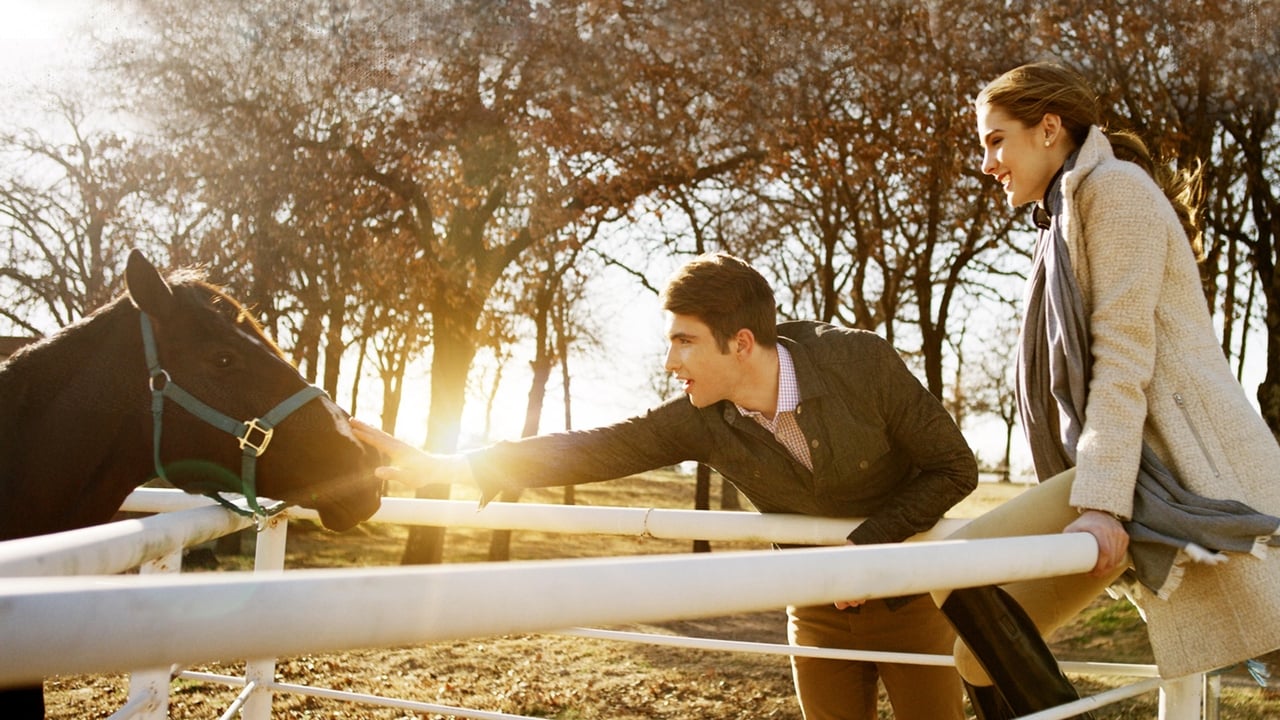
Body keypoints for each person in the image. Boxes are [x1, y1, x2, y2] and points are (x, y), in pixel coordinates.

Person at [355, 252, 978, 720]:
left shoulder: (859, 362)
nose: (670, 361)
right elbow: (596, 448)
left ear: (740, 343)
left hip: (910, 596)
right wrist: (452, 465)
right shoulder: (701, 416)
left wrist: (863, 552)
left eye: (684, 341)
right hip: (815, 609)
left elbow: (955, 467)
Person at [931, 60, 1280, 719]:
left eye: (995, 139)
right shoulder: (1057, 223)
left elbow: (1123, 359)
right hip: (1111, 472)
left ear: (1049, 128)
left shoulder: (1113, 192)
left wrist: (1100, 504)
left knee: (950, 573)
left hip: (1158, 474)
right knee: (978, 654)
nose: (987, 163)